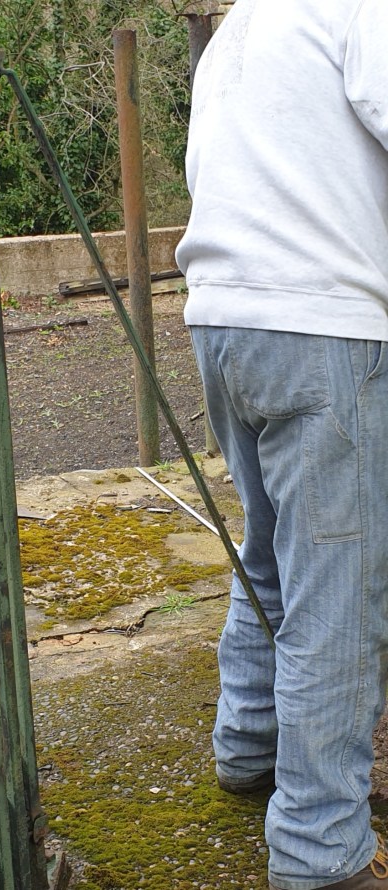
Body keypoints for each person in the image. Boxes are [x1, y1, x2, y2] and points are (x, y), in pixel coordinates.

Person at [176, 1, 388, 887]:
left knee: (269, 550)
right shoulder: (361, 11)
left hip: (222, 321)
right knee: (339, 593)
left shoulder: (241, 28)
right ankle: (318, 848)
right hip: (320, 323)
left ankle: (248, 745)